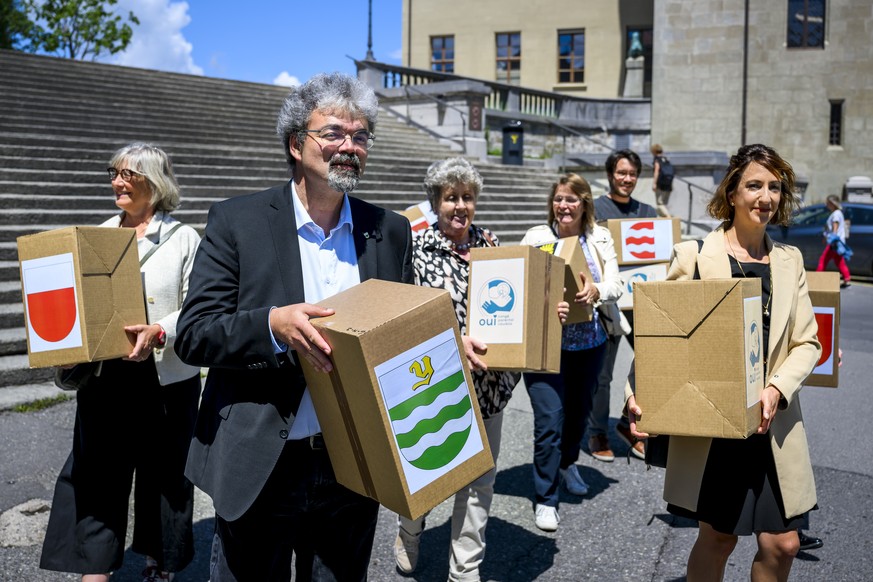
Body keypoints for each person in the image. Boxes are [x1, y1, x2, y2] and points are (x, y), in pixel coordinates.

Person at [175, 73, 413, 581]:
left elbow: (402, 327)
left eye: (361, 135)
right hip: (263, 460)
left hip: (354, 461)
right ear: (295, 143)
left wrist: (449, 347)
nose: (349, 146)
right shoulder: (237, 221)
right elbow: (195, 332)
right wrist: (272, 325)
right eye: (333, 133)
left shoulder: (389, 230)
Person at [627, 144, 821, 582]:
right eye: (754, 185)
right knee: (719, 538)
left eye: (774, 187)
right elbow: (661, 339)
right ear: (733, 192)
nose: (765, 197)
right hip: (715, 426)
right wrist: (638, 397)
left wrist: (776, 388)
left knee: (784, 543)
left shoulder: (790, 262)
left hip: (773, 424)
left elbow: (807, 342)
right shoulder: (695, 256)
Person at [40, 143, 203, 582]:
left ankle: (161, 560)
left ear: (155, 182)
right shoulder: (98, 235)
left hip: (166, 379)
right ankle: (95, 568)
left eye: (128, 176)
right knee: (97, 474)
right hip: (107, 377)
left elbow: (197, 307)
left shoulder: (184, 238)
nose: (117, 183)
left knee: (165, 477)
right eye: (114, 174)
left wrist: (160, 330)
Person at [392, 157, 520, 580]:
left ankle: (465, 570)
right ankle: (410, 530)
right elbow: (405, 320)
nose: (460, 206)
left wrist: (543, 311)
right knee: (428, 471)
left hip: (489, 384)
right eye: (451, 198)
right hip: (437, 383)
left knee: (480, 480)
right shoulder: (417, 250)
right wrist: (452, 340)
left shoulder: (492, 244)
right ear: (436, 202)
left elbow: (515, 303)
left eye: (467, 197)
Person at [519, 173, 624, 532]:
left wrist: (596, 290)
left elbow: (617, 282)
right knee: (549, 421)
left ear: (584, 204)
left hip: (589, 344)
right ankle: (546, 498)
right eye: (559, 199)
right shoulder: (537, 237)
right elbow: (521, 280)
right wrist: (548, 303)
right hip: (544, 347)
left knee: (578, 415)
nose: (564, 206)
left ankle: (567, 464)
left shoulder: (599, 237)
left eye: (572, 199)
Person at [588, 149, 655, 463]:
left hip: (643, 303)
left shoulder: (649, 212)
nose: (627, 179)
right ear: (610, 174)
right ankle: (597, 431)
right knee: (604, 374)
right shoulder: (595, 209)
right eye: (621, 173)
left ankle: (630, 424)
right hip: (609, 305)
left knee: (651, 367)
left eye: (632, 174)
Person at [816, 194, 851, 287]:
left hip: (834, 243)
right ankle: (847, 279)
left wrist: (831, 240)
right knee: (839, 261)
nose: (826, 204)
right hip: (837, 242)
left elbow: (835, 228)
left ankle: (817, 279)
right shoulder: (838, 213)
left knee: (823, 260)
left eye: (827, 202)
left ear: (832, 203)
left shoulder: (835, 214)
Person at [651, 144, 674, 217]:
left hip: (660, 183)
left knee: (659, 203)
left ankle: (668, 217)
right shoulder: (666, 159)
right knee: (664, 203)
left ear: (654, 151)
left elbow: (656, 171)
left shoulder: (657, 159)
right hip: (668, 183)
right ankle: (666, 217)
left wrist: (654, 183)